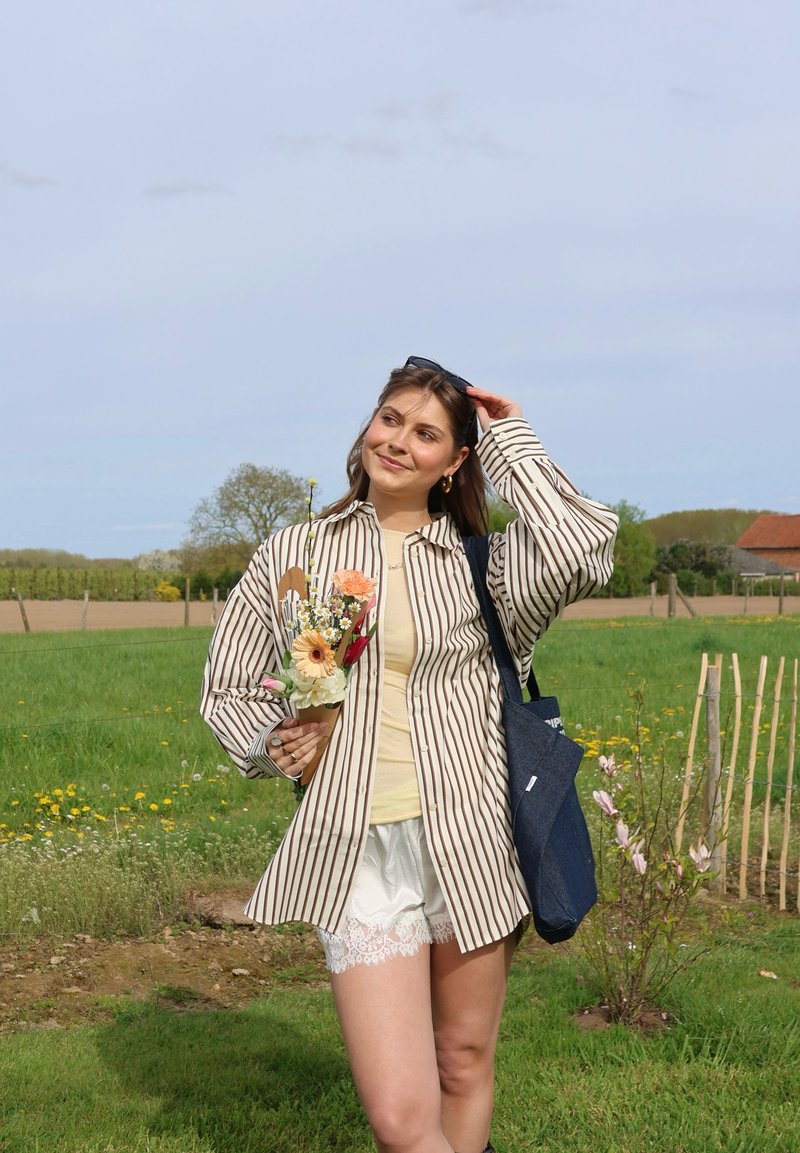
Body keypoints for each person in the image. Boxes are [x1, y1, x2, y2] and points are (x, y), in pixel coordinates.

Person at [200, 357, 617, 1153]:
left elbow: (583, 545)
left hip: (469, 839)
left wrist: (509, 439)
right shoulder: (294, 554)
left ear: (456, 460)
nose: (398, 441)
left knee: (461, 1061)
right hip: (356, 848)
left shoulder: (485, 564)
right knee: (399, 1116)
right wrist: (273, 741)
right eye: (390, 418)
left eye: (427, 433)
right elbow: (227, 686)